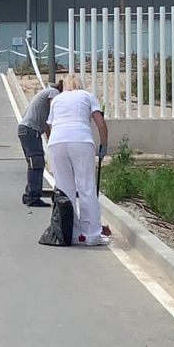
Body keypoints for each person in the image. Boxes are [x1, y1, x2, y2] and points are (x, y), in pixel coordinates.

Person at [46, 75, 110, 246]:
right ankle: (92, 235)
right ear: (80, 85)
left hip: (57, 142)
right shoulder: (87, 96)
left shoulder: (57, 99)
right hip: (81, 140)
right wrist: (104, 145)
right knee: (86, 187)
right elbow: (101, 124)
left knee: (65, 189)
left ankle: (72, 233)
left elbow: (51, 126)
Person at [18, 80, 63, 207]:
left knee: (34, 163)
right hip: (30, 130)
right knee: (36, 163)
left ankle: (30, 194)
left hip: (27, 130)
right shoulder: (53, 93)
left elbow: (48, 125)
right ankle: (32, 197)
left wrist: (52, 141)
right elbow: (54, 110)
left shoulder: (45, 96)